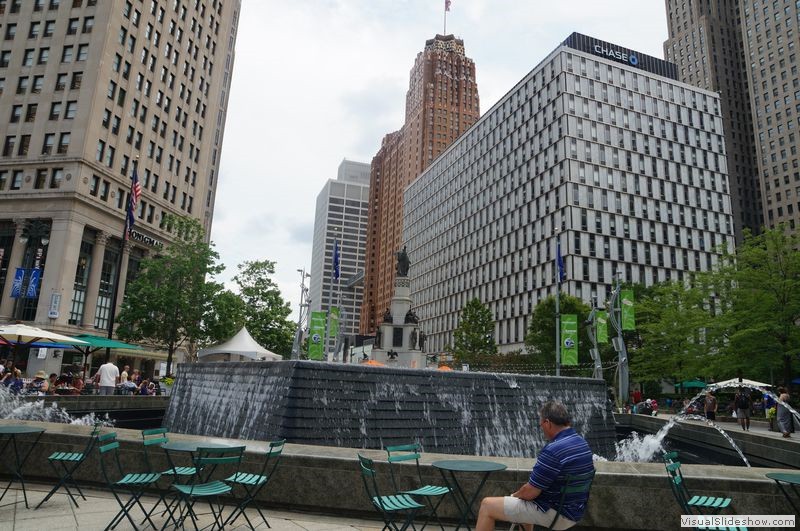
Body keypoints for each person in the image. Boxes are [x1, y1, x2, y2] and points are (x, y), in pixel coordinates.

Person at [476, 401, 594, 531]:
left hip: (557, 514)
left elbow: (530, 492)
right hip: (575, 511)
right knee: (525, 503)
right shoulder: (582, 443)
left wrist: (514, 496)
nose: (541, 428)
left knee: (487, 505)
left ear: (548, 423)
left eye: (541, 424)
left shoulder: (553, 450)